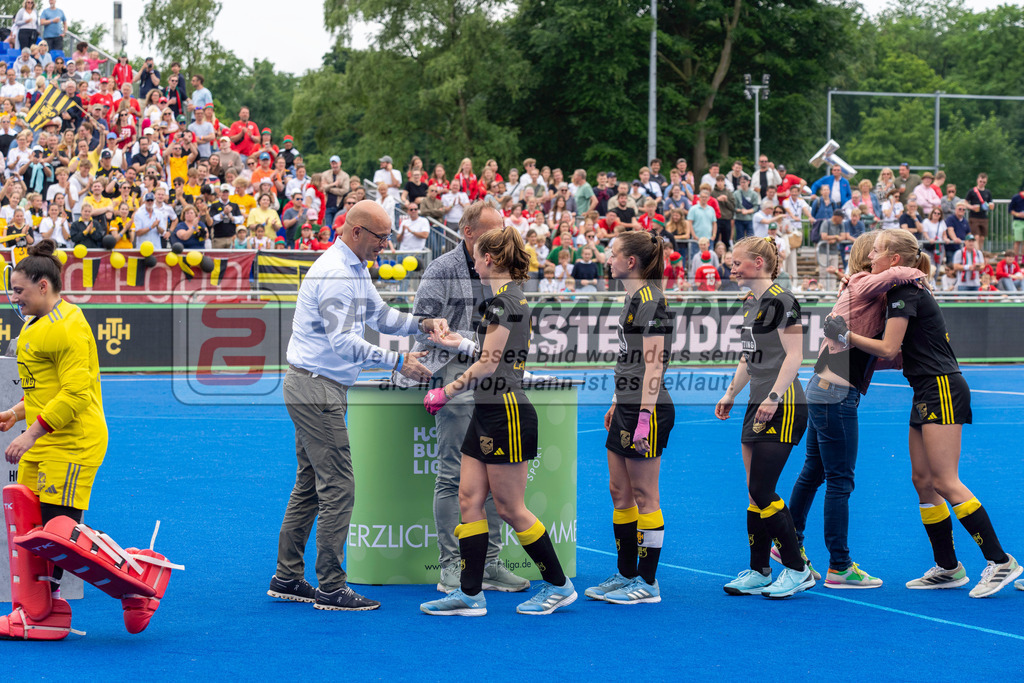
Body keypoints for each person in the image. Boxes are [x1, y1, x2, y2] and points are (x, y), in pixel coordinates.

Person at [269, 200, 448, 611]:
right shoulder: (337, 273)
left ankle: (287, 576)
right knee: (338, 487)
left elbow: (381, 316)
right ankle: (331, 588)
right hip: (317, 388)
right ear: (356, 232)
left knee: (311, 484)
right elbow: (344, 343)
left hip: (314, 384)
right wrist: (399, 360)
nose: (386, 245)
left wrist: (422, 325)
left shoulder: (352, 267)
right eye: (381, 237)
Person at [822, 229, 1021, 597]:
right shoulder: (899, 290)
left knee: (946, 480)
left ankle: (1001, 561)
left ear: (894, 260)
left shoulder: (904, 292)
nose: (871, 258)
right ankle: (948, 567)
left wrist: (845, 336)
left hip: (941, 387)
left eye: (877, 252)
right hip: (925, 389)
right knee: (923, 481)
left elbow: (887, 348)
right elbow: (895, 354)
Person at [0, 240, 177, 640]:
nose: (14, 297)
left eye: (19, 290)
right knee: (29, 528)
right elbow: (47, 389)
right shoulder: (37, 324)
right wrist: (16, 413)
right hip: (46, 439)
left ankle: (140, 581)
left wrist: (29, 433)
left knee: (58, 531)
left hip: (73, 442)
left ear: (43, 286)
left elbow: (76, 395)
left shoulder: (69, 326)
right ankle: (38, 611)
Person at [418, 226, 576, 616]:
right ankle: (470, 595)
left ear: (489, 259)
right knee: (469, 499)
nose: (472, 261)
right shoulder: (505, 300)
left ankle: (559, 585)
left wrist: (447, 389)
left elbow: (490, 364)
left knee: (510, 508)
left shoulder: (502, 303)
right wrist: (461, 345)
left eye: (475, 255)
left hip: (506, 412)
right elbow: (494, 354)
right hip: (490, 410)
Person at [400, 202, 531, 593]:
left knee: (494, 476)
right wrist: (446, 337)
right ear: (469, 233)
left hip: (492, 380)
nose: (502, 237)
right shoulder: (441, 269)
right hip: (457, 374)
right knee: (454, 476)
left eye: (504, 229)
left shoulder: (503, 273)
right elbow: (419, 327)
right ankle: (450, 567)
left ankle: (488, 564)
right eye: (494, 231)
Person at [786, 231, 925, 588]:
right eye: (874, 253)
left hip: (825, 386)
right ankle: (840, 565)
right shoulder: (865, 282)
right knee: (839, 480)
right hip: (835, 392)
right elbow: (894, 275)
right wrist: (919, 272)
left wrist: (895, 357)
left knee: (814, 471)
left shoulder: (860, 294)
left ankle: (788, 545)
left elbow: (868, 353)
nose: (873, 259)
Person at [716, 236, 812, 599]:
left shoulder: (782, 300)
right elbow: (748, 357)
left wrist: (773, 396)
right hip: (757, 404)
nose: (732, 268)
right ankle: (759, 570)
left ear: (758, 262)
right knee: (755, 494)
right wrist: (731, 393)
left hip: (783, 405)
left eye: (736, 262)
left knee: (761, 489)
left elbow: (794, 356)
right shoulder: (751, 304)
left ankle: (797, 568)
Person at [582, 231, 675, 604]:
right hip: (626, 403)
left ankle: (648, 583)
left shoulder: (652, 301)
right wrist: (615, 399)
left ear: (631, 261)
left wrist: (642, 418)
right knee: (619, 492)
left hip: (647, 409)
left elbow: (655, 365)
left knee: (644, 494)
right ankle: (625, 573)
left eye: (613, 253)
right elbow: (629, 359)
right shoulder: (632, 297)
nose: (608, 258)